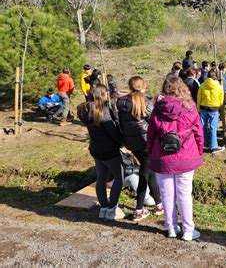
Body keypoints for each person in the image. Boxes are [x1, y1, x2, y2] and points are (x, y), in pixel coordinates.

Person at [148, 76, 204, 241]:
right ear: (182, 88)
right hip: (186, 156)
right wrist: (199, 151)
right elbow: (199, 133)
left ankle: (171, 228)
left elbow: (150, 134)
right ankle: (188, 231)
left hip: (162, 157)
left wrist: (151, 152)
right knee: (185, 194)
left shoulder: (157, 109)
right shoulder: (190, 107)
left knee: (166, 194)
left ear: (164, 89)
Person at [117, 76, 162, 221]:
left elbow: (120, 123)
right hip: (147, 143)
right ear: (143, 86)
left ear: (129, 87)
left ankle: (159, 204)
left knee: (151, 172)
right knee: (144, 174)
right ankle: (138, 210)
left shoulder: (121, 102)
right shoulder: (147, 102)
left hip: (132, 143)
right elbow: (155, 123)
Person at [77, 84, 124, 221]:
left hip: (95, 148)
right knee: (119, 178)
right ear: (102, 94)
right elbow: (113, 132)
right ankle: (112, 209)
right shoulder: (103, 111)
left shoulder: (84, 109)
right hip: (109, 150)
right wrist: (121, 141)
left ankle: (103, 208)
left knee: (101, 178)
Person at [197, 70, 225, 153]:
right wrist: (218, 105)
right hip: (214, 108)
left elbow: (199, 98)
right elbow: (221, 97)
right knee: (213, 127)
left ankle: (202, 143)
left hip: (203, 107)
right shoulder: (218, 86)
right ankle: (213, 146)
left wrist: (198, 108)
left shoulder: (202, 85)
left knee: (203, 126)